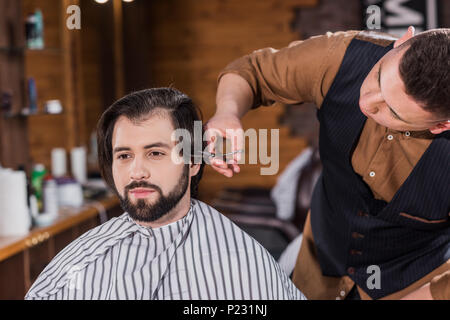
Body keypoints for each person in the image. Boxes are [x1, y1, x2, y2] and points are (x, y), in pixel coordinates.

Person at [205, 27, 450, 300]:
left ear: (442, 125)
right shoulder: (343, 56)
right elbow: (253, 72)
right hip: (317, 261)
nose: (367, 102)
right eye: (379, 76)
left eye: (392, 111)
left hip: (414, 285)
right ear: (403, 40)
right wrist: (227, 113)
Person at [25, 88, 306, 300]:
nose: (136, 171)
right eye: (124, 155)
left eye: (155, 153)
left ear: (194, 162)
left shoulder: (242, 260)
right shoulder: (83, 261)